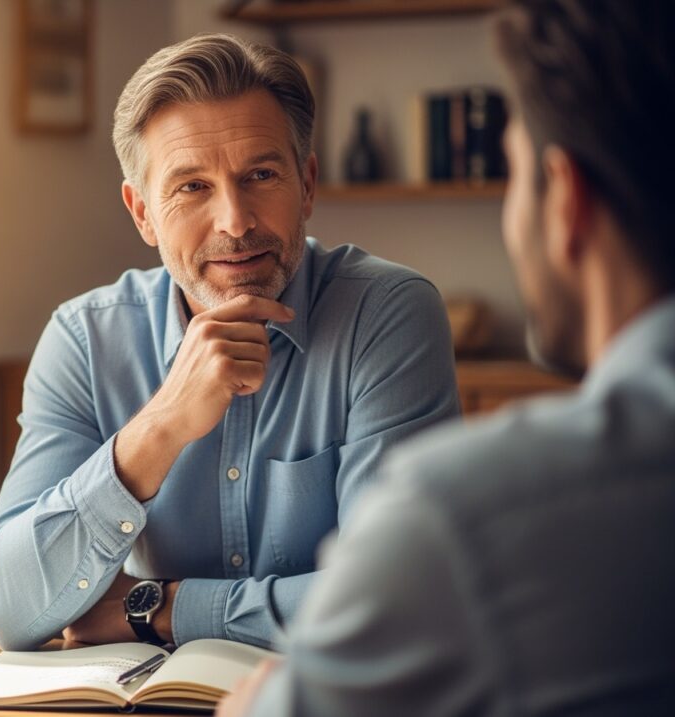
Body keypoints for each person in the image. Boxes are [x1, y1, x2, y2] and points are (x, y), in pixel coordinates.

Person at [217, 1, 675, 714]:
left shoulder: (466, 517)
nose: (235, 220)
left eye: (515, 171)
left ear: (566, 207)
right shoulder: (91, 330)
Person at [0, 33, 459, 652]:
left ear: (307, 184)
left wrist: (160, 608)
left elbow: (399, 603)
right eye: (191, 187)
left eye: (261, 174)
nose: (235, 220)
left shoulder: (387, 315)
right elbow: (8, 608)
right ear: (143, 212)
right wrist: (160, 427)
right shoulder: (85, 337)